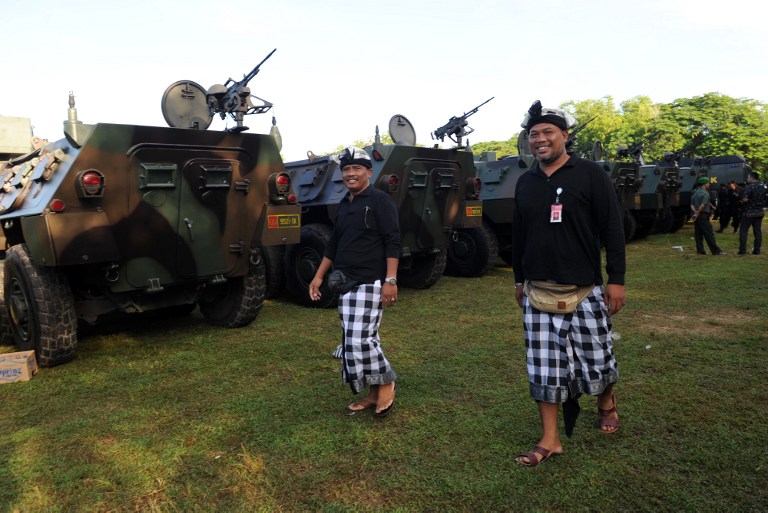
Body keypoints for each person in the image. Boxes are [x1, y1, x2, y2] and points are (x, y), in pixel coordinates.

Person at [511, 101, 626, 467]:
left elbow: (612, 228)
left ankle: (606, 400)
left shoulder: (590, 173)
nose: (540, 139)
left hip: (585, 288)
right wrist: (518, 278)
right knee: (543, 365)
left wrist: (616, 280)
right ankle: (550, 438)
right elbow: (519, 232)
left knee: (598, 358)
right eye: (534, 134)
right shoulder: (526, 181)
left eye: (548, 132)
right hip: (538, 289)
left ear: (564, 135)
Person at [309, 147, 400, 418]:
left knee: (361, 340)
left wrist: (390, 280)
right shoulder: (344, 204)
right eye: (346, 169)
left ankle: (386, 383)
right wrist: (318, 275)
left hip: (370, 280)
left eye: (356, 168)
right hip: (344, 282)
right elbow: (334, 244)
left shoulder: (380, 201)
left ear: (368, 173)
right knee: (356, 339)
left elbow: (393, 240)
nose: (350, 173)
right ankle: (373, 393)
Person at [691, 177, 726, 255]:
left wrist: (695, 212)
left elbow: (692, 204)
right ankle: (716, 251)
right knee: (709, 233)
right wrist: (698, 213)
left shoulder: (695, 193)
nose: (709, 184)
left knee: (698, 234)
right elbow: (703, 205)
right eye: (708, 183)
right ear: (704, 184)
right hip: (703, 215)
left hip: (697, 216)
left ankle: (700, 250)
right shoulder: (705, 193)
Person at [737, 171, 767, 255]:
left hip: (749, 212)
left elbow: (745, 199)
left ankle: (742, 250)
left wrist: (741, 201)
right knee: (757, 231)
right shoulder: (764, 186)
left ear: (752, 177)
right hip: (760, 212)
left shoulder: (749, 187)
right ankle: (757, 250)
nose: (747, 179)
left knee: (743, 231)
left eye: (748, 177)